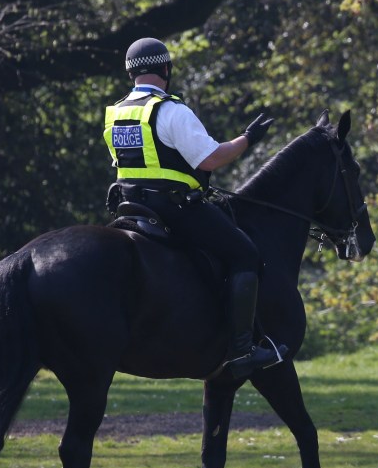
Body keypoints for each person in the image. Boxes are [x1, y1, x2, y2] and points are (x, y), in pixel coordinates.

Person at [103, 37, 281, 378]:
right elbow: (211, 158)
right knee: (245, 254)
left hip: (128, 207)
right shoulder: (170, 111)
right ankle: (242, 349)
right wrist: (247, 139)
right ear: (166, 69)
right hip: (173, 209)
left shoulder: (116, 112)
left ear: (130, 74)